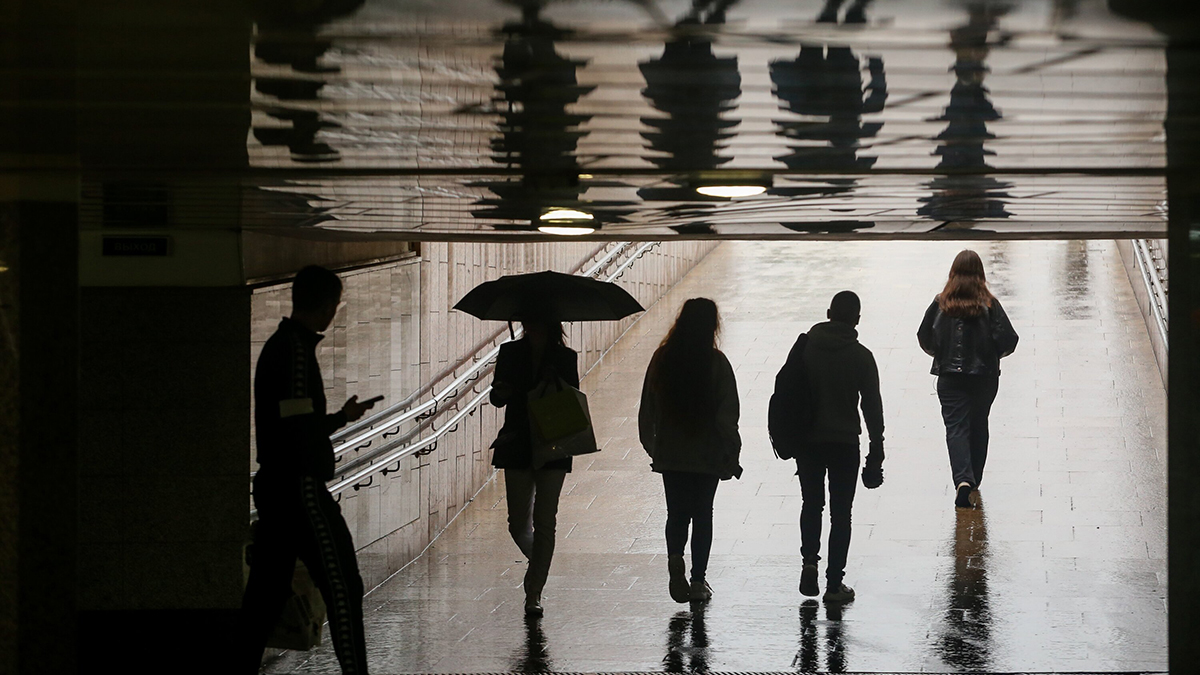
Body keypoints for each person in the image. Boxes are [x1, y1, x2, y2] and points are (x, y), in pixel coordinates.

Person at [239, 265, 379, 674]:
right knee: (343, 587)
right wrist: (327, 434)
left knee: (264, 597)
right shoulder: (295, 352)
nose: (335, 311)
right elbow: (298, 428)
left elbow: (293, 418)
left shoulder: (281, 346)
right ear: (324, 304)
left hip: (278, 487)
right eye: (335, 304)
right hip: (299, 488)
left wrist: (340, 417)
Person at [638, 298, 741, 604]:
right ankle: (698, 581)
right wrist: (731, 452)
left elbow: (648, 407)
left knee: (677, 513)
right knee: (702, 514)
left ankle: (674, 557)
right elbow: (728, 415)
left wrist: (653, 446)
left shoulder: (662, 359)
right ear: (712, 326)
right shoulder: (717, 363)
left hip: (671, 452)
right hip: (706, 453)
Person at [489, 311, 580, 617]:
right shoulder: (510, 351)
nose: (531, 323)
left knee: (545, 521)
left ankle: (534, 592)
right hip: (517, 442)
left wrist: (554, 384)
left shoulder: (565, 357)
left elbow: (575, 398)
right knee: (517, 524)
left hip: (553, 443)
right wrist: (501, 393)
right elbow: (497, 398)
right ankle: (539, 563)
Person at [796, 291, 884, 603]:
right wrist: (877, 449)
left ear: (828, 312)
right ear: (856, 320)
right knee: (841, 514)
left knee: (811, 504)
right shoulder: (861, 356)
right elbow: (872, 408)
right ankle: (834, 585)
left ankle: (809, 562)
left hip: (808, 441)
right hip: (845, 443)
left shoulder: (806, 349)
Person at [918, 249, 1018, 509]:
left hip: (950, 377)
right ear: (980, 274)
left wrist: (941, 354)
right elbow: (1009, 339)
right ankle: (974, 480)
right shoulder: (989, 305)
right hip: (984, 377)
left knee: (956, 428)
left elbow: (924, 337)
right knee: (979, 423)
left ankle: (963, 480)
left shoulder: (941, 303)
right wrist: (992, 357)